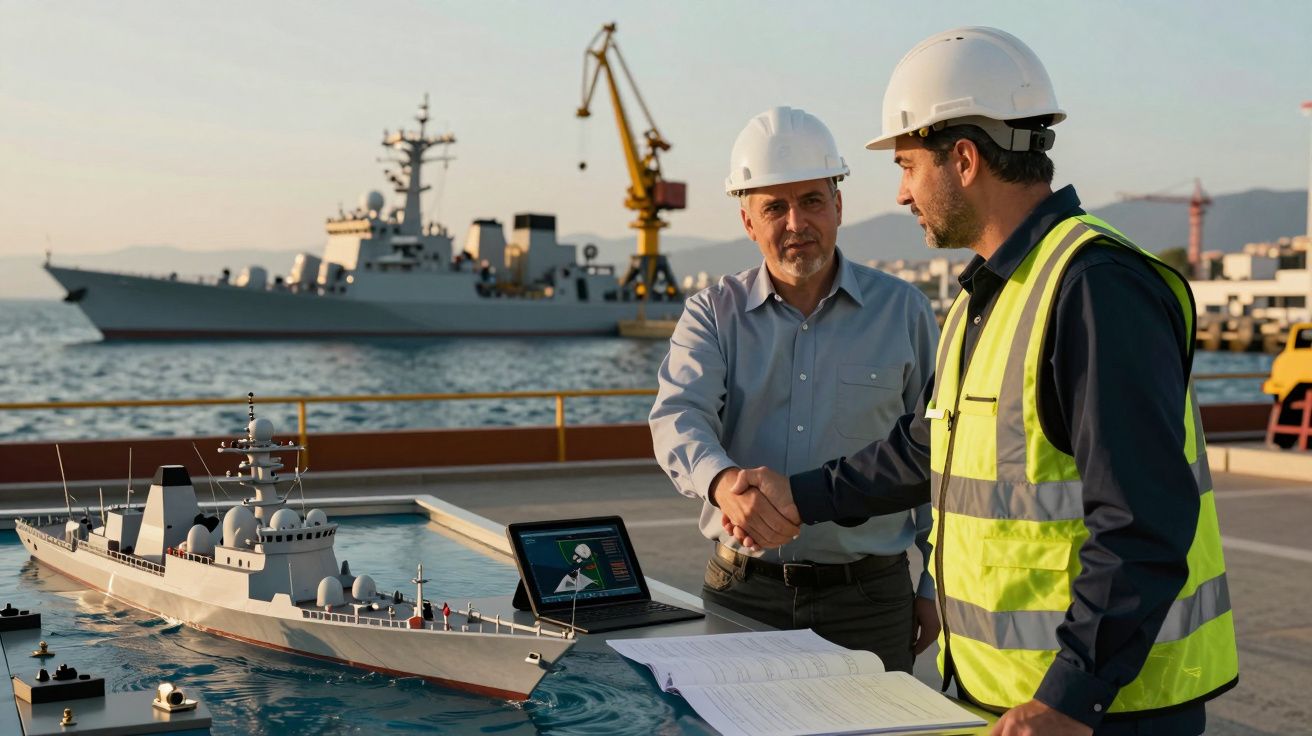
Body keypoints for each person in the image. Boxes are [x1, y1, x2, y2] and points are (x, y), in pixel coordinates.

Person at [723, 28, 1238, 736]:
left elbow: (1142, 521)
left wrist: (1072, 695)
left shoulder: (1094, 288)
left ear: (962, 159)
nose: (901, 193)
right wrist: (797, 494)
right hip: (1001, 698)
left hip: (1103, 713)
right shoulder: (985, 294)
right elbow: (930, 449)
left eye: (906, 165)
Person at [649, 106, 941, 673]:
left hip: (870, 599)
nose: (795, 223)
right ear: (748, 222)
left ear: (838, 204)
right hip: (743, 593)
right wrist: (723, 482)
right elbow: (678, 416)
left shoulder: (904, 311)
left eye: (811, 200)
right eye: (774, 207)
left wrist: (934, 583)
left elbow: (938, 455)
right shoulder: (712, 314)